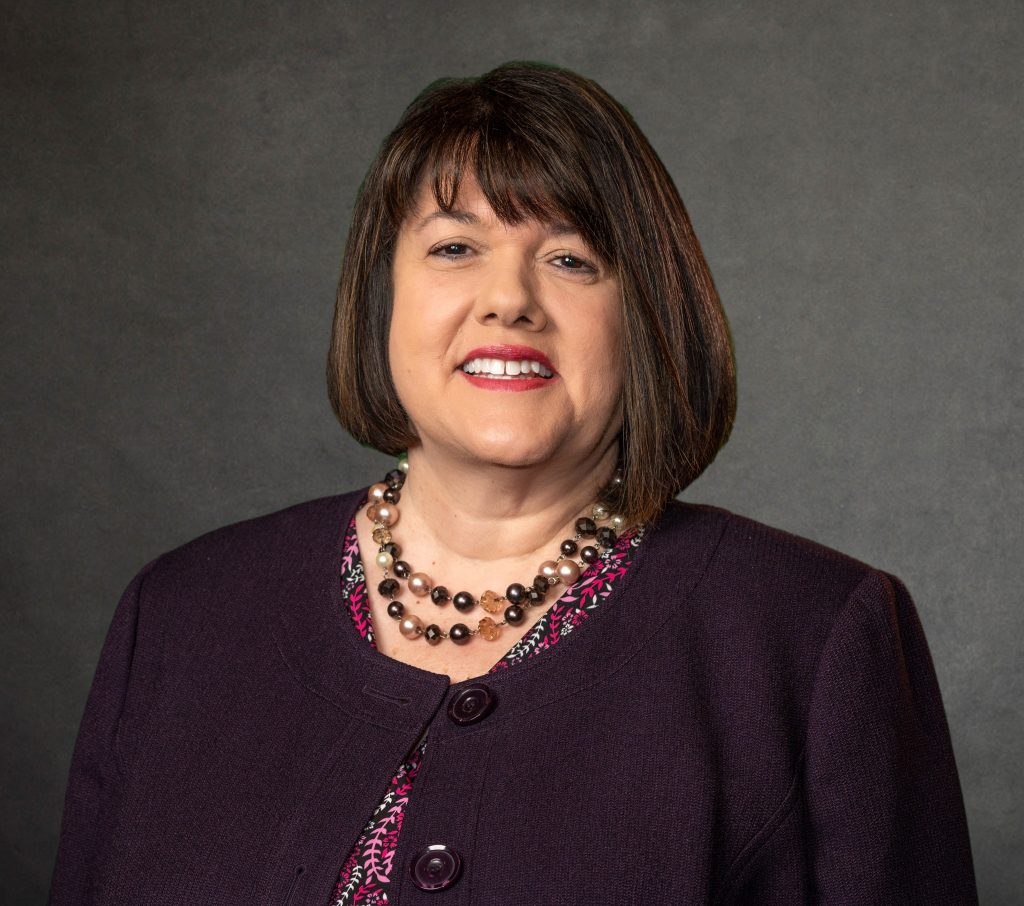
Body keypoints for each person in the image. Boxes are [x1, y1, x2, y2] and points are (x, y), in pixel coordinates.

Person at [48, 62, 978, 905]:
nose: (510, 299)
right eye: (455, 248)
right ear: (383, 295)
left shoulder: (813, 639)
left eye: (571, 259)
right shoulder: (180, 615)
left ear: (647, 319)